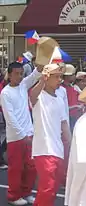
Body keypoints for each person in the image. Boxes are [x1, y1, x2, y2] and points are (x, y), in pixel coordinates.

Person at [1, 61, 42, 205]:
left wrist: (41, 65)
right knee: (16, 169)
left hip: (28, 135)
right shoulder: (5, 93)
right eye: (16, 74)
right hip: (16, 138)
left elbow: (34, 75)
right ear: (9, 75)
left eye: (21, 74)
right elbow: (10, 118)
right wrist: (23, 135)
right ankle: (13, 196)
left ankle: (26, 193)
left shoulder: (23, 86)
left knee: (31, 167)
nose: (19, 77)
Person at [30, 63, 71, 206]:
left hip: (58, 150)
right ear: (47, 78)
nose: (60, 80)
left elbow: (64, 125)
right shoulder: (38, 97)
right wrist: (41, 80)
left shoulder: (59, 98)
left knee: (53, 189)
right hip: (43, 150)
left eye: (61, 77)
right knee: (47, 189)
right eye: (56, 77)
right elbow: (32, 95)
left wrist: (71, 145)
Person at [62, 64, 79, 131]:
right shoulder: (61, 89)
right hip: (66, 118)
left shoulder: (73, 88)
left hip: (74, 117)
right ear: (67, 76)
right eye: (72, 74)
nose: (74, 76)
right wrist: (74, 106)